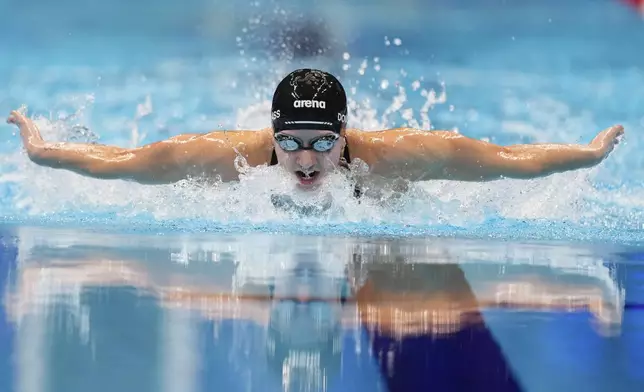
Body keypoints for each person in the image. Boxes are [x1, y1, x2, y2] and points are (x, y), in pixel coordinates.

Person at [7, 68, 624, 192]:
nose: (306, 161)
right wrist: (44, 153)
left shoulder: (400, 156)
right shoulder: (225, 159)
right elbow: (123, 160)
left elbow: (509, 158)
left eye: (324, 142)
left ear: (345, 134)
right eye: (293, 142)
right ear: (270, 134)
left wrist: (587, 156)